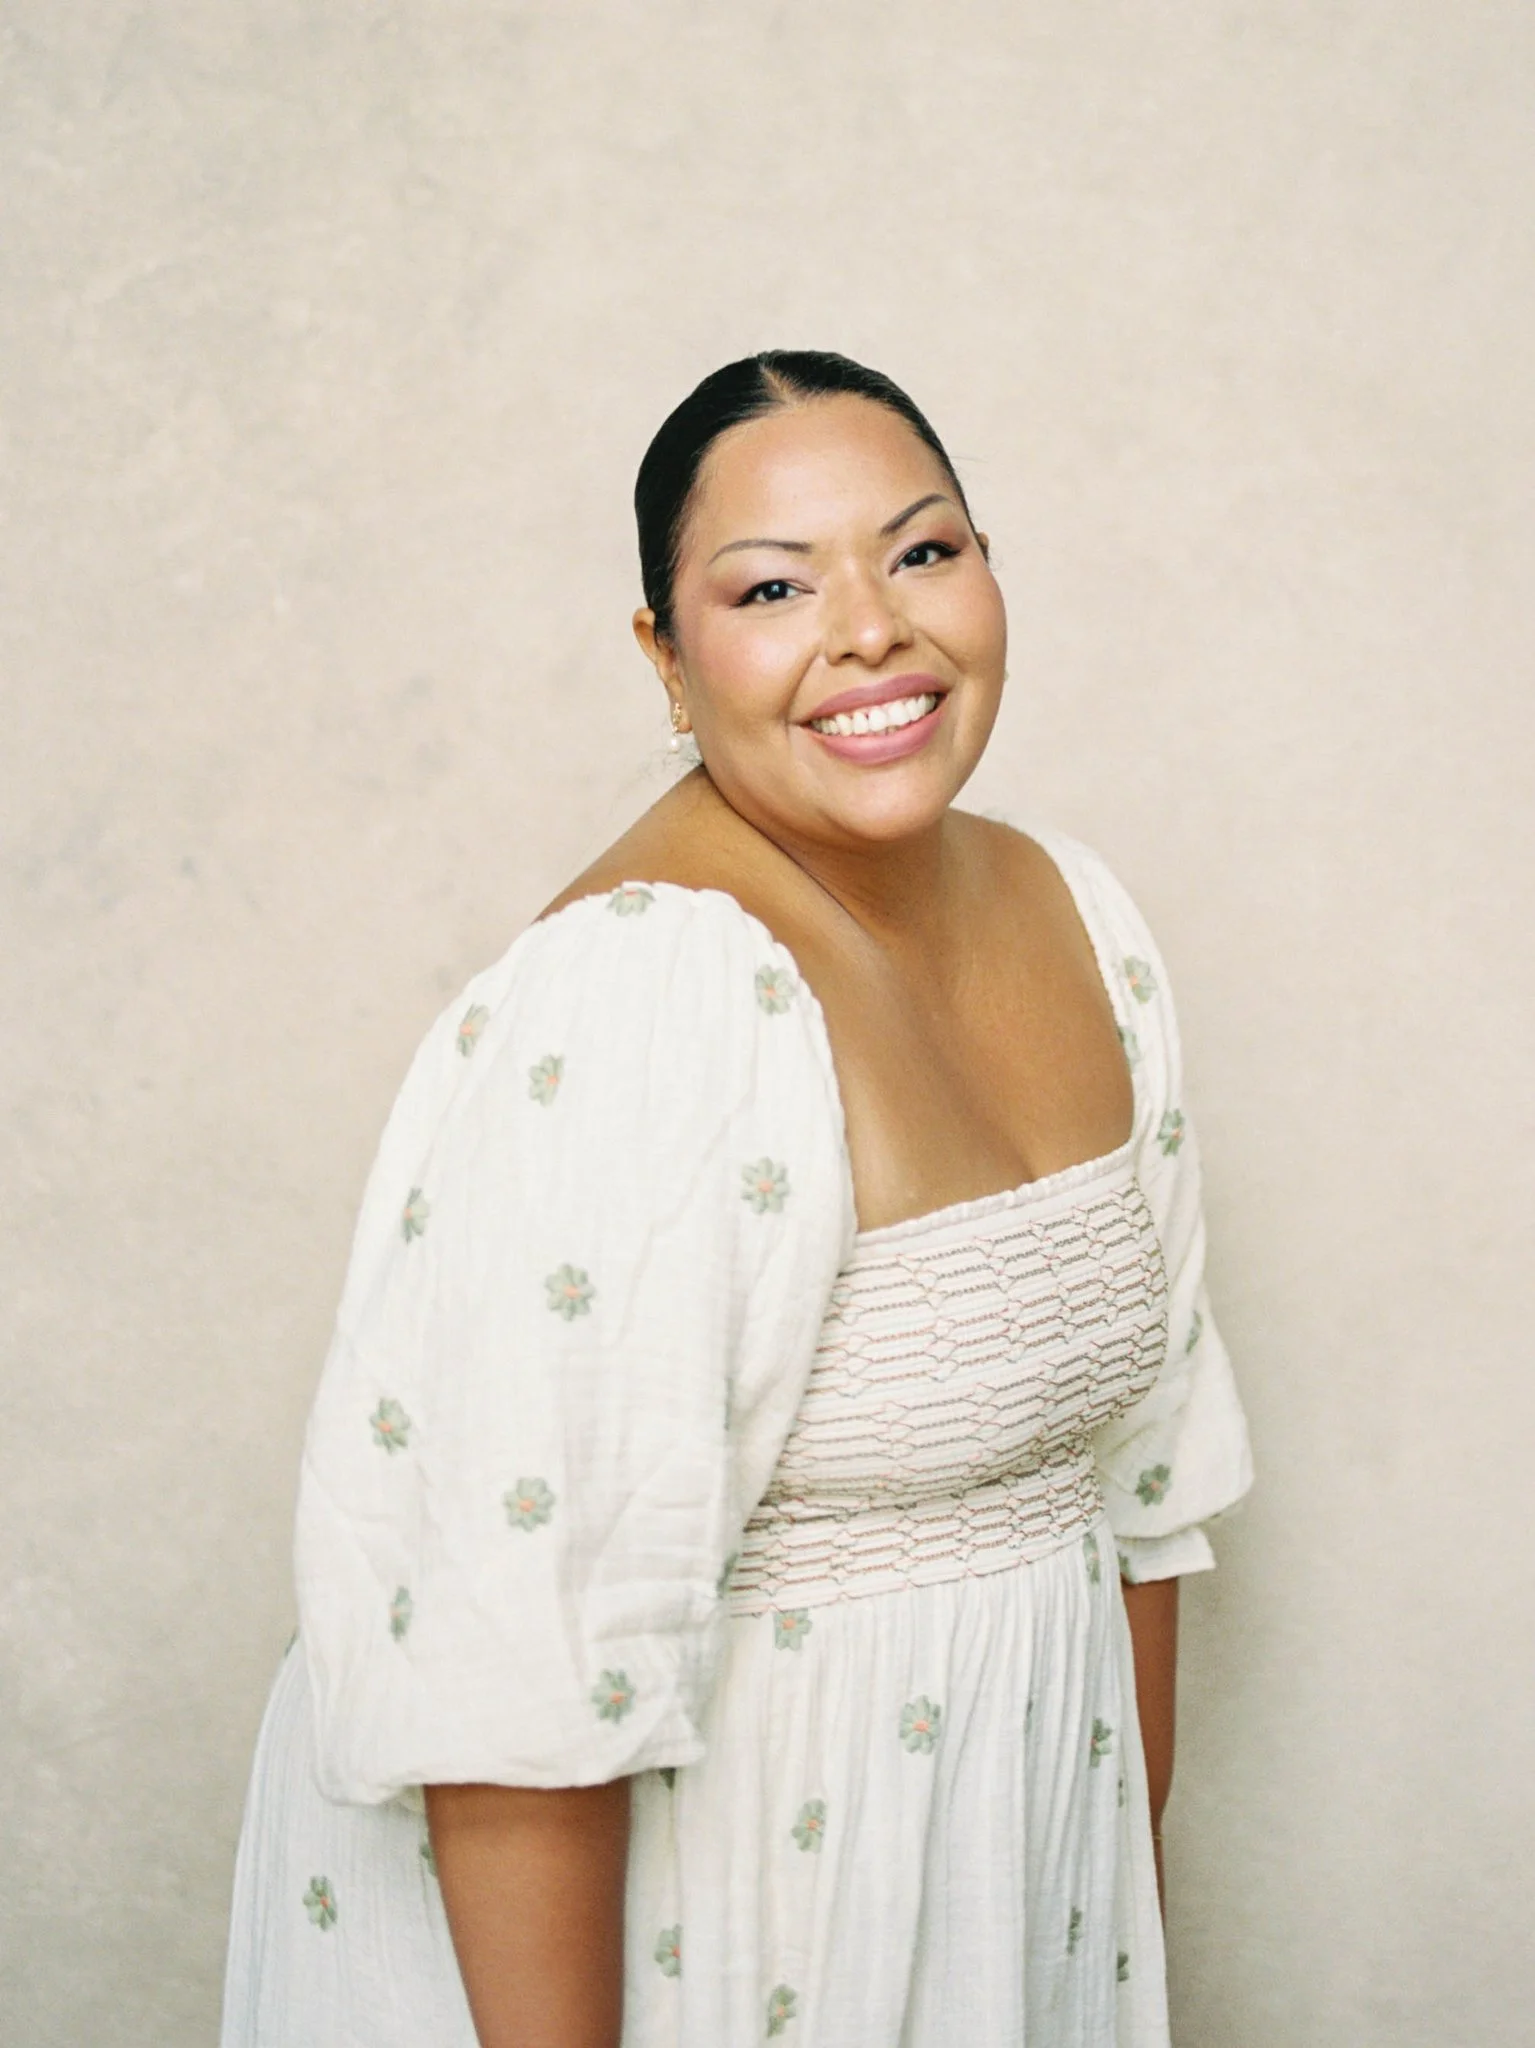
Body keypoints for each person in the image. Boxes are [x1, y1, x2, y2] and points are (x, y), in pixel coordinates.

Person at [221, 349, 1252, 2048]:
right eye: (772, 587)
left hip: (988, 1896)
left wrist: (1081, 1940)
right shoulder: (648, 995)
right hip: (714, 1937)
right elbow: (510, 1672)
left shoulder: (1081, 914)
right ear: (667, 656)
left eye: (923, 552)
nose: (870, 630)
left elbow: (1138, 1495)